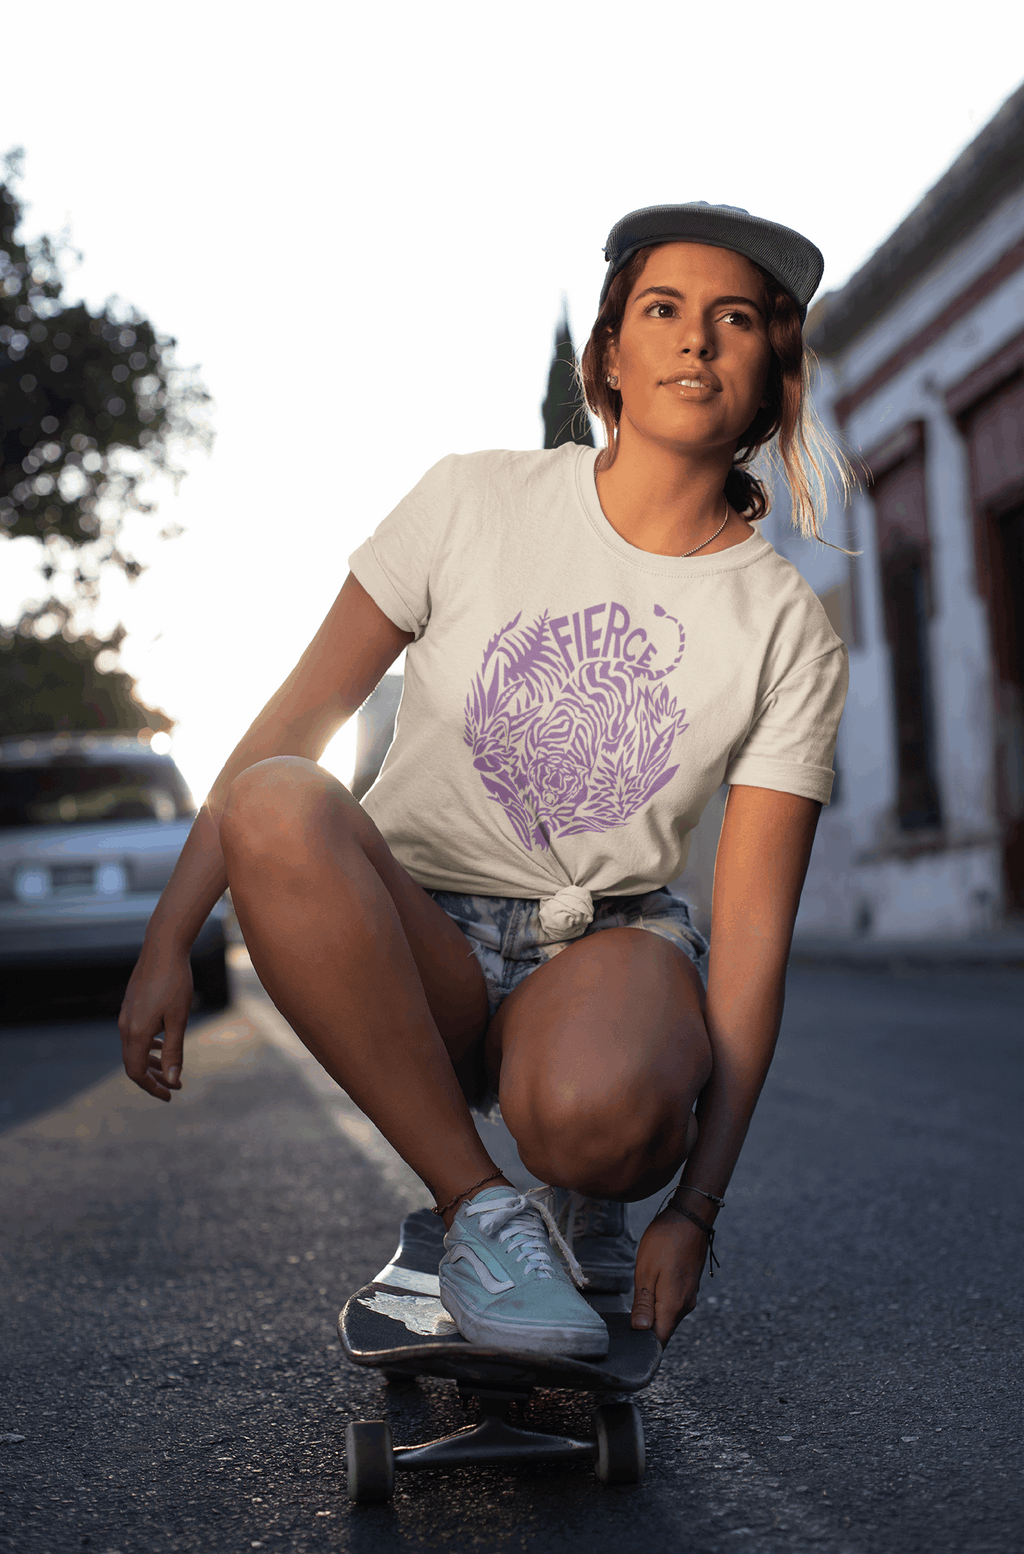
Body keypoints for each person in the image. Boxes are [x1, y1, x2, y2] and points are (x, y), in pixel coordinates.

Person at [119, 203, 850, 1359]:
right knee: (274, 793)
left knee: (601, 1113)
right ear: (609, 353)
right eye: (662, 310)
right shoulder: (470, 499)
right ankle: (479, 1212)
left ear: (774, 368)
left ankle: (584, 1197)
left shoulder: (785, 628)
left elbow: (754, 939)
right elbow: (293, 719)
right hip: (420, 944)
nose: (696, 342)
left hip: (603, 950)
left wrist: (694, 1208)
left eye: (734, 320)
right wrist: (170, 934)